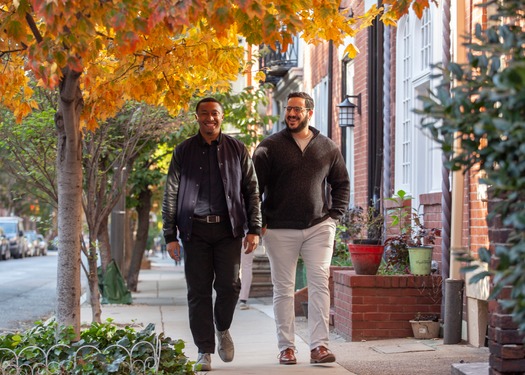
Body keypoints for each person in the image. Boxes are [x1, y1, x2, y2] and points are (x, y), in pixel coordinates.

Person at [162, 97, 262, 372]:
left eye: (214, 113)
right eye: (204, 113)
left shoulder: (237, 149)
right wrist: (170, 234)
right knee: (198, 292)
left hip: (229, 230)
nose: (210, 118)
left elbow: (252, 191)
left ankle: (223, 327)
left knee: (230, 286)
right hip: (194, 231)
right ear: (197, 117)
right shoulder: (183, 151)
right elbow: (170, 193)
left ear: (222, 116)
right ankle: (204, 350)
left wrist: (254, 228)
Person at [252, 92, 350, 366]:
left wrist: (335, 216)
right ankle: (287, 348)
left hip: (319, 227)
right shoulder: (268, 147)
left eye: (297, 109)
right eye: (288, 109)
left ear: (309, 112)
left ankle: (319, 347)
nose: (291, 114)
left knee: (320, 284)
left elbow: (341, 183)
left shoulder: (327, 147)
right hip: (279, 229)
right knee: (283, 289)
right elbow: (253, 189)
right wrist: (257, 223)